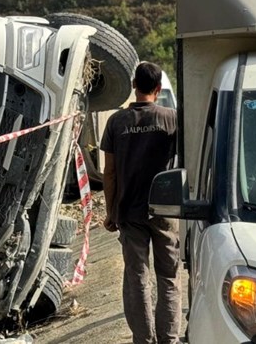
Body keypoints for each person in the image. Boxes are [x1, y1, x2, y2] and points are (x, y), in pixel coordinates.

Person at [101, 61, 180, 344]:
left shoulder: (116, 122)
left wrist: (111, 213)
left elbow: (109, 173)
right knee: (168, 277)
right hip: (165, 211)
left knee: (137, 278)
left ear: (134, 86)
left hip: (129, 211)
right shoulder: (172, 118)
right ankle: (169, 338)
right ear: (158, 89)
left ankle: (144, 340)